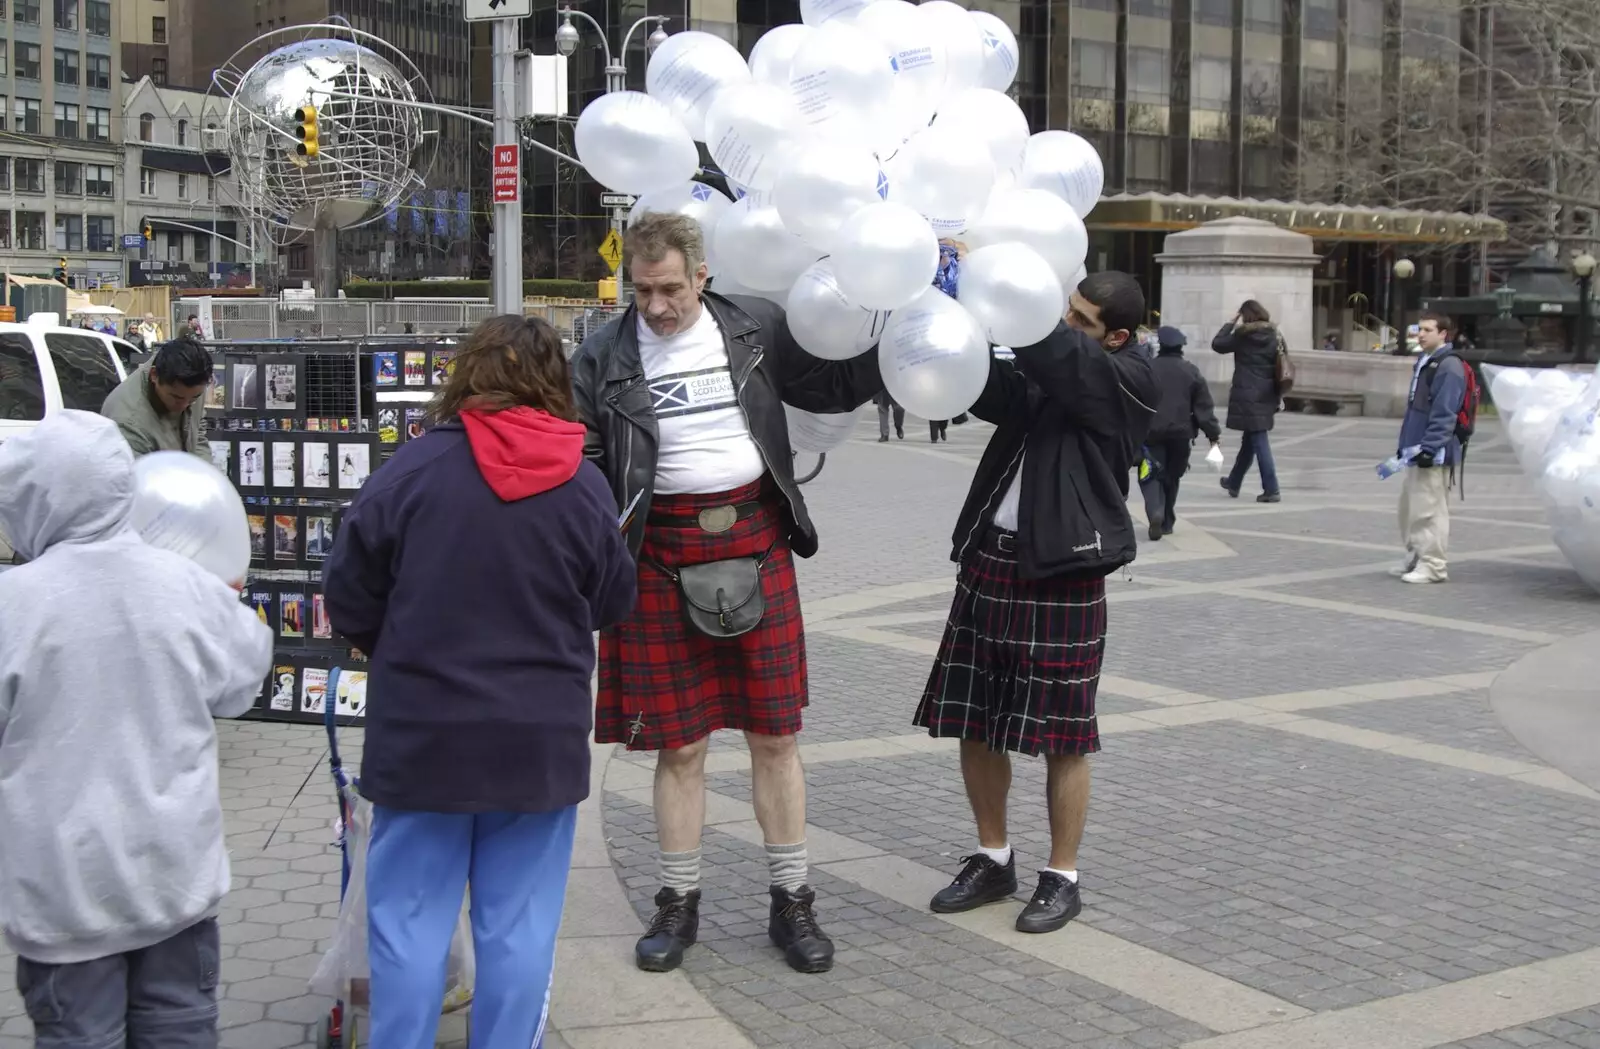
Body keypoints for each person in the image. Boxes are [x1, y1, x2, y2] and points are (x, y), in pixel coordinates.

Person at [571, 211, 882, 976]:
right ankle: (678, 902)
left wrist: (894, 322)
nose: (655, 306)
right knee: (679, 744)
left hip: (754, 536)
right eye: (641, 290)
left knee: (775, 735)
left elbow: (833, 383)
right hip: (655, 551)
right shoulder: (602, 354)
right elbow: (581, 457)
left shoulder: (757, 328)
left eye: (670, 288)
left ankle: (792, 898)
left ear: (702, 275)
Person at [324, 315, 637, 1049]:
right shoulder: (583, 484)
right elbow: (612, 601)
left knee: (407, 924)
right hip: (537, 743)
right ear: (554, 386)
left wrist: (397, 648)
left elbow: (348, 596)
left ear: (464, 376)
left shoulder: (407, 472)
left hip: (422, 737)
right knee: (520, 928)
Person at [0, 410, 273, 1048]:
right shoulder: (184, 586)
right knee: (179, 1028)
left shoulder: (14, 605)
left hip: (63, 896)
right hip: (174, 879)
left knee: (79, 1037)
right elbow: (242, 681)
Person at [915, 271, 1158, 935]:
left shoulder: (1130, 378)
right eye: (1067, 312)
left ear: (1118, 336)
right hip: (992, 557)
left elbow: (1062, 359)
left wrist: (1007, 295)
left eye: (1083, 320)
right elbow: (996, 390)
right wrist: (943, 319)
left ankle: (1062, 874)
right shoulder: (1058, 363)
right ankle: (994, 857)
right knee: (973, 718)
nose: (1069, 325)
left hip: (1064, 570)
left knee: (1064, 736)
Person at [1393, 312, 1466, 584]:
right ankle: (1415, 556)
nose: (1420, 335)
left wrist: (1430, 447)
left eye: (1427, 330)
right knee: (1410, 508)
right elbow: (1416, 410)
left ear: (1444, 334)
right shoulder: (1426, 361)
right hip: (1415, 448)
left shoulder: (1448, 366)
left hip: (1432, 452)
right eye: (1419, 329)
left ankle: (1433, 565)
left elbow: (1445, 412)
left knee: (1429, 510)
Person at [1141, 326, 1221, 541]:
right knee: (1172, 477)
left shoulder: (1148, 368)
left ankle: (1154, 511)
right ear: (1181, 347)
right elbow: (1204, 408)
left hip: (1151, 433)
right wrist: (1213, 435)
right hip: (1181, 434)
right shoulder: (1191, 371)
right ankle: (1167, 521)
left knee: (1149, 474)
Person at [1213, 299, 1283, 503]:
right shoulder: (1275, 334)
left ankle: (1272, 488)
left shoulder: (1243, 335)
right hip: (1267, 392)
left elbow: (1217, 344)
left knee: (1259, 440)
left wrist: (1230, 322)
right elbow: (1283, 360)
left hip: (1246, 393)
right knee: (1250, 440)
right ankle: (1234, 482)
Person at [100, 336, 213, 460]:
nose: (184, 406)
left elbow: (197, 432)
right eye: (177, 397)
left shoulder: (194, 377)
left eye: (194, 398)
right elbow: (138, 477)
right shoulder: (128, 425)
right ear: (154, 375)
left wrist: (206, 473)